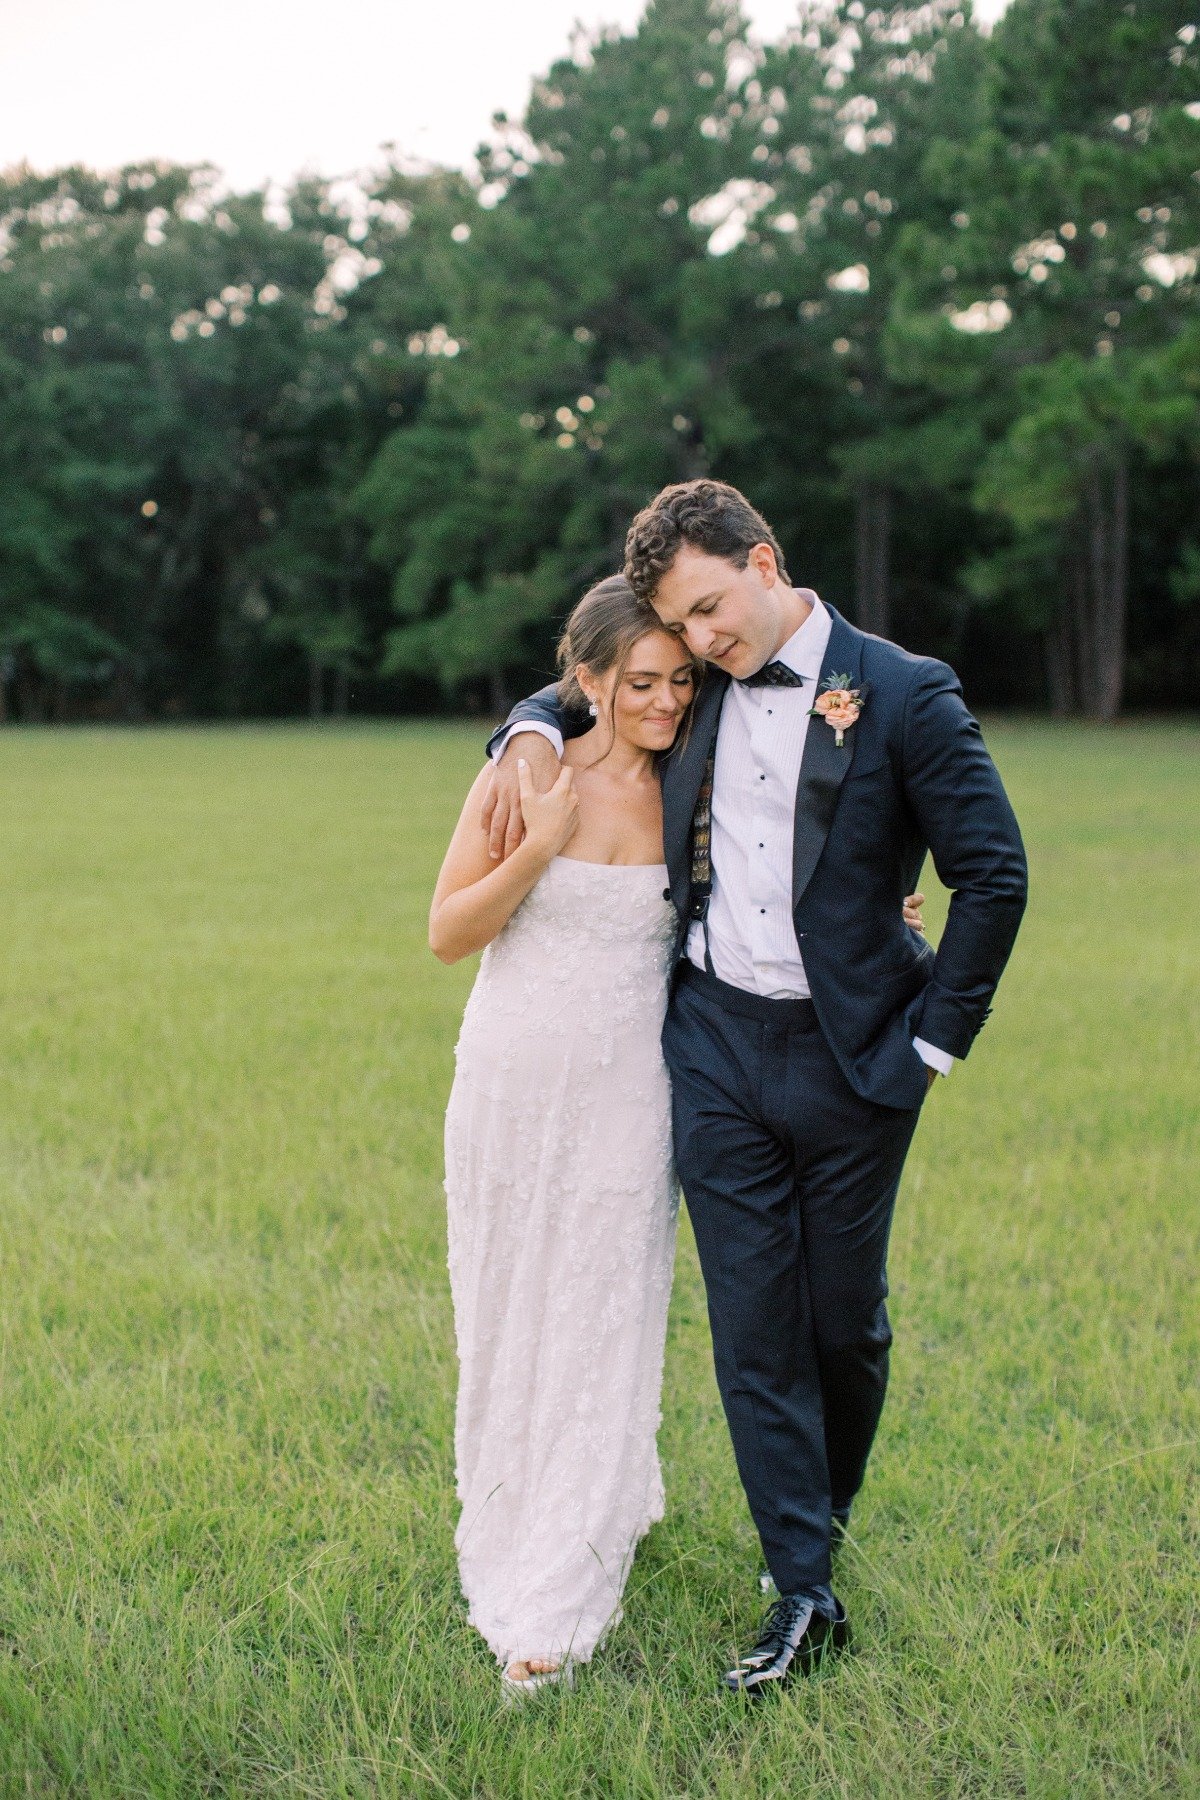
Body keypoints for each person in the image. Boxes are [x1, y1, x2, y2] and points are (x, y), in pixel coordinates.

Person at [483, 479, 1028, 1695]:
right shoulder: (700, 687)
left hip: (859, 1061)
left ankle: (815, 1533)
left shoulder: (905, 692)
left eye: (714, 615)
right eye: (684, 630)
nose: (704, 648)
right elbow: (574, 684)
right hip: (714, 1046)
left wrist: (931, 1047)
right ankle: (802, 1590)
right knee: (753, 1326)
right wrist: (525, 732)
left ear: (767, 562)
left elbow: (993, 877)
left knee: (845, 1325)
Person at [432, 574, 928, 1700]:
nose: (667, 702)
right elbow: (447, 932)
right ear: (588, 682)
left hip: (630, 1092)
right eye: (642, 683)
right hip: (508, 1085)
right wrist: (536, 835)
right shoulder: (528, 774)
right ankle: (513, 1500)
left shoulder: (694, 785)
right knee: (508, 1305)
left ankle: (565, 1560)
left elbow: (794, 855)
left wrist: (878, 919)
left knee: (607, 1315)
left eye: (682, 680)